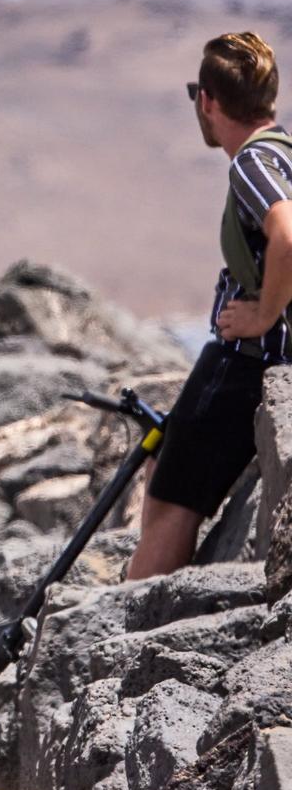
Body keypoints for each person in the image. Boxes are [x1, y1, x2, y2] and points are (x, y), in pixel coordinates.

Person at [129, 32, 292, 580]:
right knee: (166, 463)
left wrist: (264, 315)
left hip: (243, 365)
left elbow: (287, 236)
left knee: (171, 505)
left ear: (208, 101)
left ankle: (129, 641)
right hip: (267, 366)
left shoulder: (252, 163)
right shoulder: (286, 154)